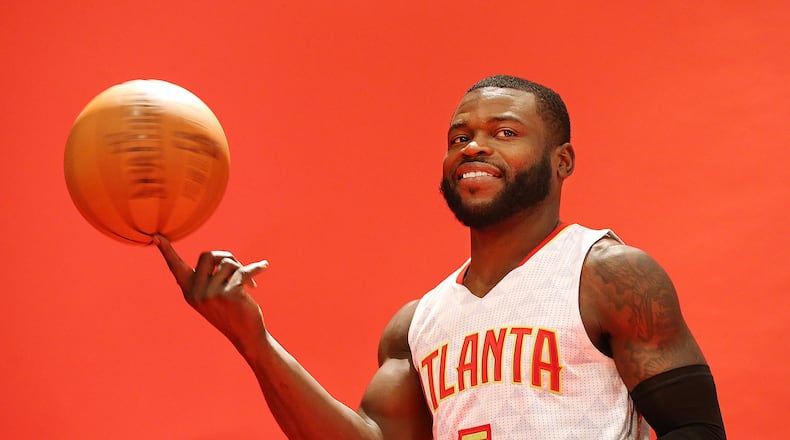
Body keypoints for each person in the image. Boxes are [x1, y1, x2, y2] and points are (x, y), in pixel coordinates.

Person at [155, 75, 726, 439]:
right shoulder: (415, 324)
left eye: (505, 131)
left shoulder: (606, 274)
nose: (474, 146)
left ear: (563, 160)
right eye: (459, 137)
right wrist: (253, 342)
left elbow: (695, 430)